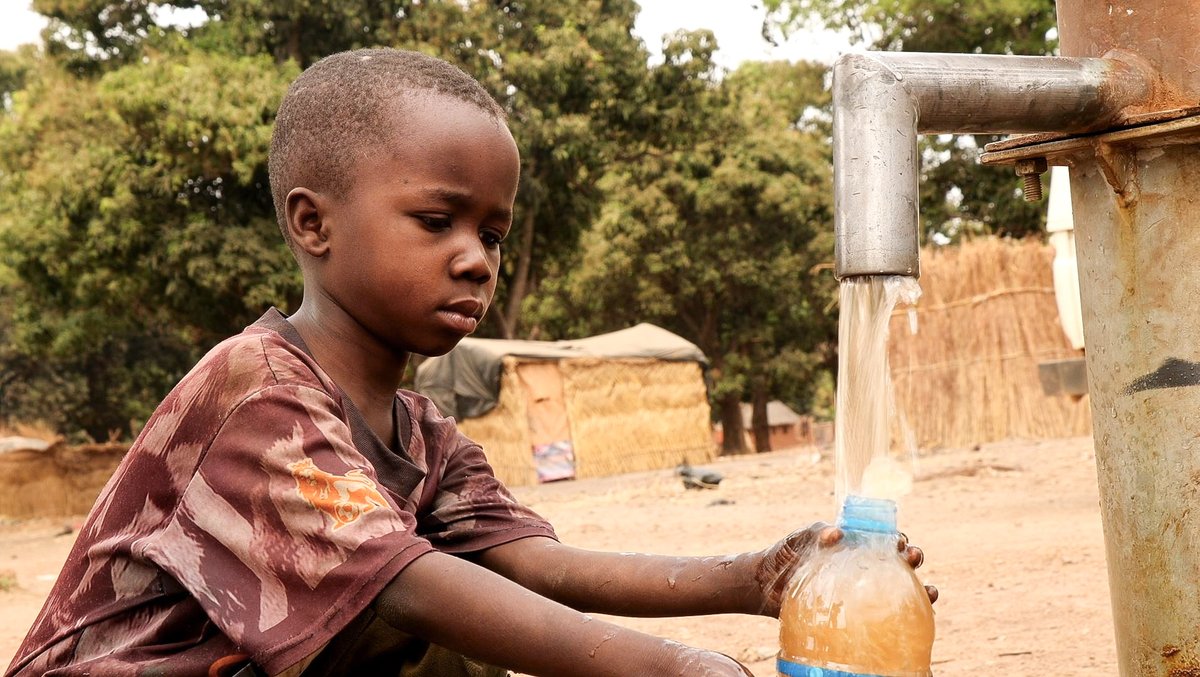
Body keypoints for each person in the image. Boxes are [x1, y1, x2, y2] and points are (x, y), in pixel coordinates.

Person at [5, 48, 934, 677]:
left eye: (493, 232)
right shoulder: (256, 396)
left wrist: (756, 577)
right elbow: (414, 584)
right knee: (443, 625)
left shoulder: (420, 430)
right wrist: (678, 668)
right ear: (311, 222)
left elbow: (528, 565)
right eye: (435, 220)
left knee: (471, 626)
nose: (475, 258)